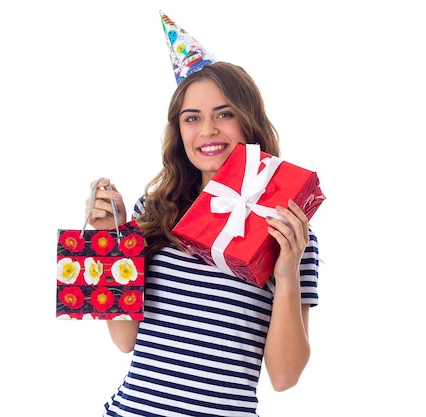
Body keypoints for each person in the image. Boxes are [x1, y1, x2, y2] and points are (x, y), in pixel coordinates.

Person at [85, 12, 320, 417]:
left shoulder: (290, 230)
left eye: (224, 114)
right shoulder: (154, 211)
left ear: (249, 123)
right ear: (179, 131)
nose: (207, 129)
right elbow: (125, 340)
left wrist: (286, 273)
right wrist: (109, 239)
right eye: (192, 118)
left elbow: (284, 377)